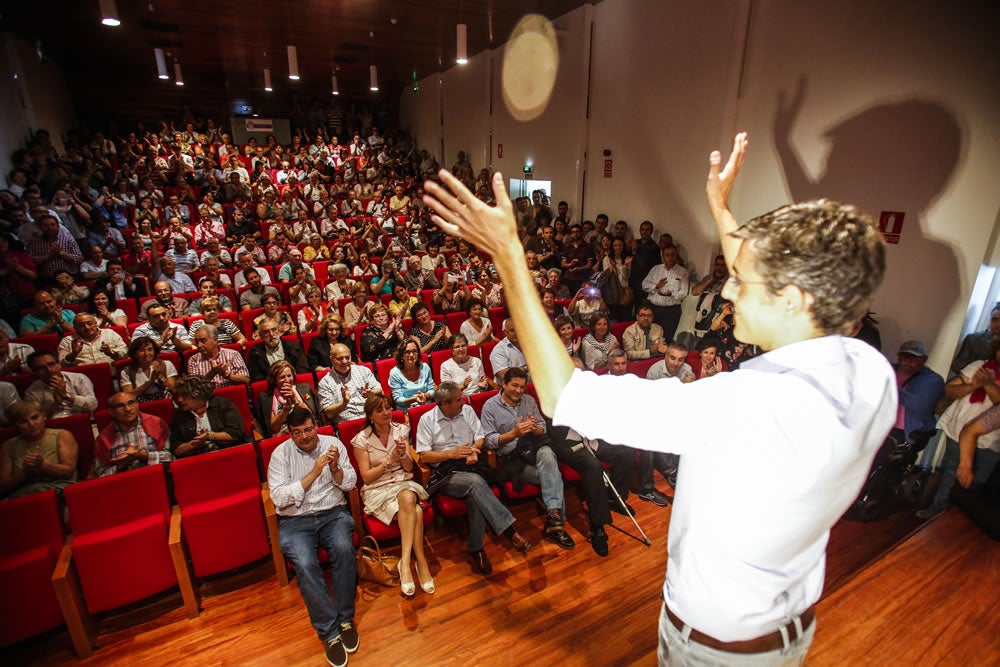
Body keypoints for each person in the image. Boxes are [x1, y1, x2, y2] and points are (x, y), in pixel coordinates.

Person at [422, 132, 895, 664]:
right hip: (786, 626)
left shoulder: (742, 407)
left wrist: (509, 255)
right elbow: (794, 302)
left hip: (715, 651)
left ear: (793, 299)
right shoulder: (871, 372)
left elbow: (562, 392)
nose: (728, 290)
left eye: (743, 280)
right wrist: (722, 211)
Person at [267, 407, 360, 667]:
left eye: (308, 429)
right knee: (306, 564)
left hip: (332, 513)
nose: (305, 436)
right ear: (290, 433)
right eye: (297, 433)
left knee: (344, 549)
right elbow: (279, 498)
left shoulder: (333, 444)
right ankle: (329, 632)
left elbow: (350, 483)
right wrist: (314, 473)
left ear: (316, 426)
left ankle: (345, 618)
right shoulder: (280, 454)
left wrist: (335, 468)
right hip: (295, 520)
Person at [415, 382, 531, 576]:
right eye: (458, 400)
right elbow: (424, 456)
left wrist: (474, 450)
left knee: (475, 495)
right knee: (476, 482)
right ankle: (509, 531)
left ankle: (476, 549)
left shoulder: (467, 411)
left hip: (470, 464)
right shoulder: (427, 420)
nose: (463, 402)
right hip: (446, 473)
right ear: (444, 404)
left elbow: (480, 438)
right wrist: (451, 454)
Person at [481, 368, 574, 549]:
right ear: (504, 384)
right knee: (552, 476)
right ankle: (557, 526)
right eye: (514, 385)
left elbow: (542, 426)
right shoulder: (490, 407)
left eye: (522, 387)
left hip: (533, 448)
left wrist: (535, 429)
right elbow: (489, 440)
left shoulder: (529, 400)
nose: (519, 391)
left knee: (547, 452)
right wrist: (513, 433)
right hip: (512, 459)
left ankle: (553, 517)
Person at [351, 393, 433, 596]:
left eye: (388, 408)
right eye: (380, 410)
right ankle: (420, 561)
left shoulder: (401, 430)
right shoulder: (361, 440)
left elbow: (409, 468)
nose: (386, 412)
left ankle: (405, 563)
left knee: (407, 496)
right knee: (416, 511)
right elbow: (367, 477)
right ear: (370, 415)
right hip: (377, 488)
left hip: (402, 481)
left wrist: (403, 455)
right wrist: (388, 461)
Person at [918, 339, 1000, 519]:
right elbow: (950, 390)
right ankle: (937, 511)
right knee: (951, 472)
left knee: (977, 482)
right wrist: (973, 385)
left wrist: (988, 384)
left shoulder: (987, 376)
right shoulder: (980, 366)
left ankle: (959, 518)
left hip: (990, 439)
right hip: (959, 428)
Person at [0, 399, 78, 498]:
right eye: (23, 421)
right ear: (16, 425)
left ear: (43, 416)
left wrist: (43, 464)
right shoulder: (8, 446)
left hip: (60, 490)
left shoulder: (63, 435)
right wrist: (24, 472)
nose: (31, 424)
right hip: (25, 496)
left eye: (35, 417)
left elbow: (68, 471)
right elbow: (3, 486)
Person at [92, 392, 172, 477]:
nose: (127, 409)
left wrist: (144, 456)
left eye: (131, 403)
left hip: (156, 476)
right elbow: (101, 475)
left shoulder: (156, 424)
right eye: (120, 406)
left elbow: (170, 457)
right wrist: (121, 466)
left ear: (137, 404)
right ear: (111, 412)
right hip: (123, 481)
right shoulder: (103, 439)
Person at [170, 375, 248, 458]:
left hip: (230, 453)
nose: (180, 400)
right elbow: (177, 450)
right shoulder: (180, 415)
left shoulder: (222, 404)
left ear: (198, 394)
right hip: (200, 459)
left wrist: (209, 436)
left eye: (184, 395)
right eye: (178, 396)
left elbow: (236, 433)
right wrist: (194, 444)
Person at [318, 343, 383, 425]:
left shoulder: (363, 371)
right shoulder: (325, 383)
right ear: (331, 359)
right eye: (340, 359)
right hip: (348, 425)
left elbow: (380, 390)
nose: (345, 361)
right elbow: (329, 413)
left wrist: (371, 393)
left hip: (371, 420)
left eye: (347, 357)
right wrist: (344, 402)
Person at [256, 360, 321, 438]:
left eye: (289, 376)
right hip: (282, 436)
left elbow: (311, 417)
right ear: (274, 380)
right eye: (282, 377)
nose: (287, 380)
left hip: (306, 431)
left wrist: (295, 399)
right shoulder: (266, 397)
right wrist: (286, 408)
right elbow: (274, 428)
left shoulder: (305, 388)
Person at [25, 350, 97, 418]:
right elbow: (36, 420)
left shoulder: (79, 378)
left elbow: (92, 406)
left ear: (59, 364)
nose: (49, 370)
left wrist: (66, 395)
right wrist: (56, 404)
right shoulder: (31, 392)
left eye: (51, 364)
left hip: (83, 420)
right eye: (41, 368)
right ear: (34, 372)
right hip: (53, 425)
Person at [641, 244, 689, 344]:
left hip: (671, 312)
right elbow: (644, 285)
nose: (670, 258)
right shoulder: (656, 269)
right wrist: (656, 286)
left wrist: (671, 294)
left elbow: (684, 293)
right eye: (667, 255)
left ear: (676, 256)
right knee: (648, 336)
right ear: (663, 257)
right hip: (653, 309)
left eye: (672, 255)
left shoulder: (683, 272)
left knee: (666, 338)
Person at [187, 324, 251, 388]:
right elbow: (194, 387)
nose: (199, 345)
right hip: (208, 394)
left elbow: (246, 380)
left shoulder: (233, 354)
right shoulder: (193, 360)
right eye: (197, 342)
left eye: (203, 341)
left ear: (215, 340)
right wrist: (212, 372)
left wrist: (227, 375)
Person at [247, 317, 309, 383]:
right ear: (261, 335)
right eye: (266, 332)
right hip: (271, 388)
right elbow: (256, 379)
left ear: (279, 331)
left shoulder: (295, 347)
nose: (271, 334)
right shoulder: (255, 353)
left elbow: (303, 372)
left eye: (274, 329)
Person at [57, 312, 128, 366]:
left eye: (89, 323)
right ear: (75, 328)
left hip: (112, 376)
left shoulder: (110, 333)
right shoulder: (67, 341)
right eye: (81, 325)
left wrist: (111, 353)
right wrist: (73, 354)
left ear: (96, 323)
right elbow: (62, 364)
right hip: (82, 378)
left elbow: (125, 353)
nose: (87, 327)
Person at [949, 304, 1000, 378]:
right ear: (990, 321)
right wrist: (978, 365)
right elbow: (956, 366)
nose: (998, 325)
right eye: (995, 320)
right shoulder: (973, 339)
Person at [120, 336, 177, 402]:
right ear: (135, 354)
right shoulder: (127, 372)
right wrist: (150, 382)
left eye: (150, 349)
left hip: (165, 401)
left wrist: (160, 376)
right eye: (141, 350)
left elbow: (174, 389)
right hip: (141, 403)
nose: (146, 353)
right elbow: (128, 397)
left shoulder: (166, 364)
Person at [387, 338, 435, 412]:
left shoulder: (425, 367)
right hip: (408, 411)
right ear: (401, 355)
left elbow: (432, 390)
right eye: (407, 352)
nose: (412, 355)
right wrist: (414, 399)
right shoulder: (395, 373)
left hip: (427, 407)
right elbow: (398, 400)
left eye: (414, 351)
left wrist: (425, 396)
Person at [490, 318, 528, 383]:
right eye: (512, 330)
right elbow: (503, 374)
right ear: (505, 332)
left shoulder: (529, 343)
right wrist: (526, 368)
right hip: (512, 387)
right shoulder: (499, 350)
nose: (516, 333)